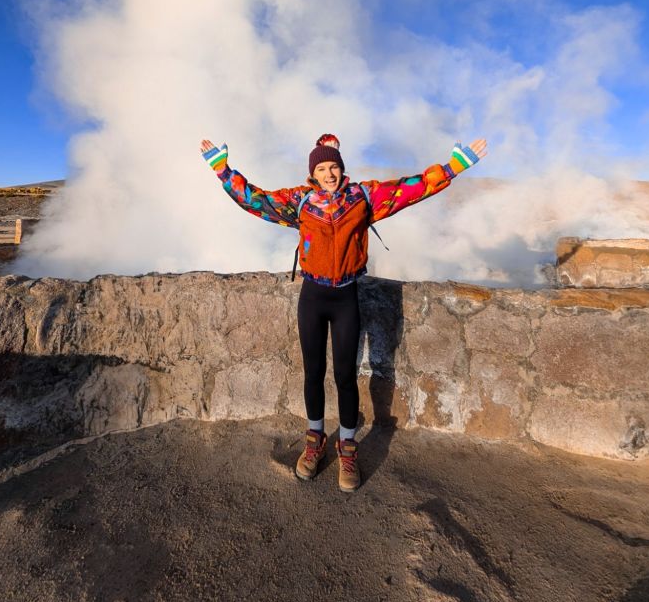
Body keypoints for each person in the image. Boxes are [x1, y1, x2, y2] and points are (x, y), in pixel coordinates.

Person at [200, 132, 488, 492]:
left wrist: (453, 167)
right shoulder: (300, 201)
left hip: (346, 297)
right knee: (313, 373)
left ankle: (348, 449)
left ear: (341, 168)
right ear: (313, 173)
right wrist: (224, 172)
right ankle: (315, 441)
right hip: (313, 297)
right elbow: (256, 201)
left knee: (345, 376)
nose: (329, 173)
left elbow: (410, 190)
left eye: (333, 167)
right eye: (321, 168)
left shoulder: (363, 197)